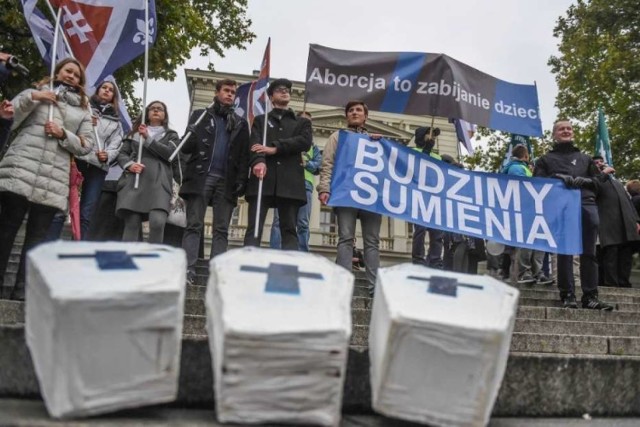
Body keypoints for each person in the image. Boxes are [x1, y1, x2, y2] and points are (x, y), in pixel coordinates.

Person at [0, 58, 94, 300]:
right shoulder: (36, 92)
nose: (71, 76)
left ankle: (22, 290)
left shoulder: (84, 111)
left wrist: (63, 134)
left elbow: (86, 146)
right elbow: (11, 117)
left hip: (53, 178)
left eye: (76, 74)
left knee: (37, 237)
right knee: (6, 229)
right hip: (22, 167)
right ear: (58, 72)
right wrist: (35, 98)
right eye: (67, 71)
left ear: (81, 82)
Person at [534, 119, 613, 310]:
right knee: (566, 252)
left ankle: (590, 296)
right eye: (561, 129)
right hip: (561, 207)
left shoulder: (585, 159)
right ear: (554, 134)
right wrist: (557, 179)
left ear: (573, 133)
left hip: (586, 204)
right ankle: (567, 294)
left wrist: (580, 181)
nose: (566, 131)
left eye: (569, 128)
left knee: (589, 253)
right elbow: (536, 185)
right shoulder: (545, 160)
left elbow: (597, 183)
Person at [179, 79, 250, 285]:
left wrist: (241, 181)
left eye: (233, 92)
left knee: (221, 229)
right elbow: (186, 148)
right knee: (194, 224)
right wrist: (191, 132)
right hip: (202, 177)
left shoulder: (240, 122)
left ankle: (216, 272)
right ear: (217, 92)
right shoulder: (201, 115)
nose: (230, 95)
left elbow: (243, 155)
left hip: (226, 180)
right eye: (226, 91)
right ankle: (188, 269)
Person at [318, 100, 382, 296]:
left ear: (365, 116)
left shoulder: (375, 140)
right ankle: (344, 286)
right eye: (351, 110)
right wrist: (324, 188)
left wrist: (380, 145)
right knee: (345, 238)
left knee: (372, 241)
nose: (354, 113)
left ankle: (374, 289)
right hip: (345, 194)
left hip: (370, 197)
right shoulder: (337, 137)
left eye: (358, 110)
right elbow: (327, 164)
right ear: (347, 116)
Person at [47, 80, 123, 240]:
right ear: (98, 90)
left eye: (111, 90)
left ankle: (77, 250)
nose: (107, 91)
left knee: (86, 212)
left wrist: (107, 155)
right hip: (76, 159)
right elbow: (69, 127)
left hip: (97, 167)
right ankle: (50, 243)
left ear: (114, 97)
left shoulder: (116, 123)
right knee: (62, 204)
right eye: (104, 88)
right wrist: (87, 121)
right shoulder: (83, 108)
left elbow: (117, 145)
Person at [243, 78, 312, 249]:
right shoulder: (260, 120)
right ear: (271, 97)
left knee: (289, 229)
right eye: (279, 89)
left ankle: (289, 268)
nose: (284, 91)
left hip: (290, 182)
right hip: (263, 179)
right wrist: (259, 161)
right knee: (254, 228)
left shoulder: (302, 122)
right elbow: (255, 144)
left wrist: (276, 148)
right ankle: (247, 264)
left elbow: (304, 142)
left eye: (287, 89)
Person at [116, 101, 179, 244]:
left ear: (165, 115)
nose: (156, 111)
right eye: (153, 108)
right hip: (135, 180)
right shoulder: (134, 133)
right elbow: (122, 154)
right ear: (147, 113)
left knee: (157, 222)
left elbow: (170, 154)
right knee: (132, 223)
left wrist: (148, 139)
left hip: (159, 181)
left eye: (160, 109)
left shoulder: (171, 135)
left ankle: (152, 261)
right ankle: (127, 260)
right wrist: (130, 165)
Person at [270, 111, 321, 251]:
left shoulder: (313, 147)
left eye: (309, 122)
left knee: (303, 222)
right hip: (285, 183)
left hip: (305, 186)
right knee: (278, 221)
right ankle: (275, 252)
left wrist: (307, 163)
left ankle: (302, 254)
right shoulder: (286, 139)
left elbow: (318, 166)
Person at [502, 144, 553, 286]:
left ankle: (538, 272)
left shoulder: (523, 168)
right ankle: (525, 272)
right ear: (526, 156)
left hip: (535, 210)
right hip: (525, 209)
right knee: (528, 241)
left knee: (539, 240)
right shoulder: (516, 168)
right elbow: (523, 188)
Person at [592, 156, 640, 288]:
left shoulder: (618, 183)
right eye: (596, 163)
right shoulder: (594, 181)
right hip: (607, 223)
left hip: (626, 223)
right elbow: (592, 190)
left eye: (601, 161)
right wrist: (603, 173)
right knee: (611, 254)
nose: (600, 164)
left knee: (626, 254)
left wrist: (636, 220)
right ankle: (611, 283)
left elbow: (629, 203)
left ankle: (624, 282)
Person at [411, 126, 444, 268]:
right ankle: (418, 259)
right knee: (420, 229)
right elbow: (417, 169)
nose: (433, 138)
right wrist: (426, 151)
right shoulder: (411, 152)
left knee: (438, 233)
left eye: (434, 136)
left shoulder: (437, 156)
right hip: (419, 196)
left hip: (435, 198)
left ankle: (435, 260)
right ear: (421, 136)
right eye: (429, 134)